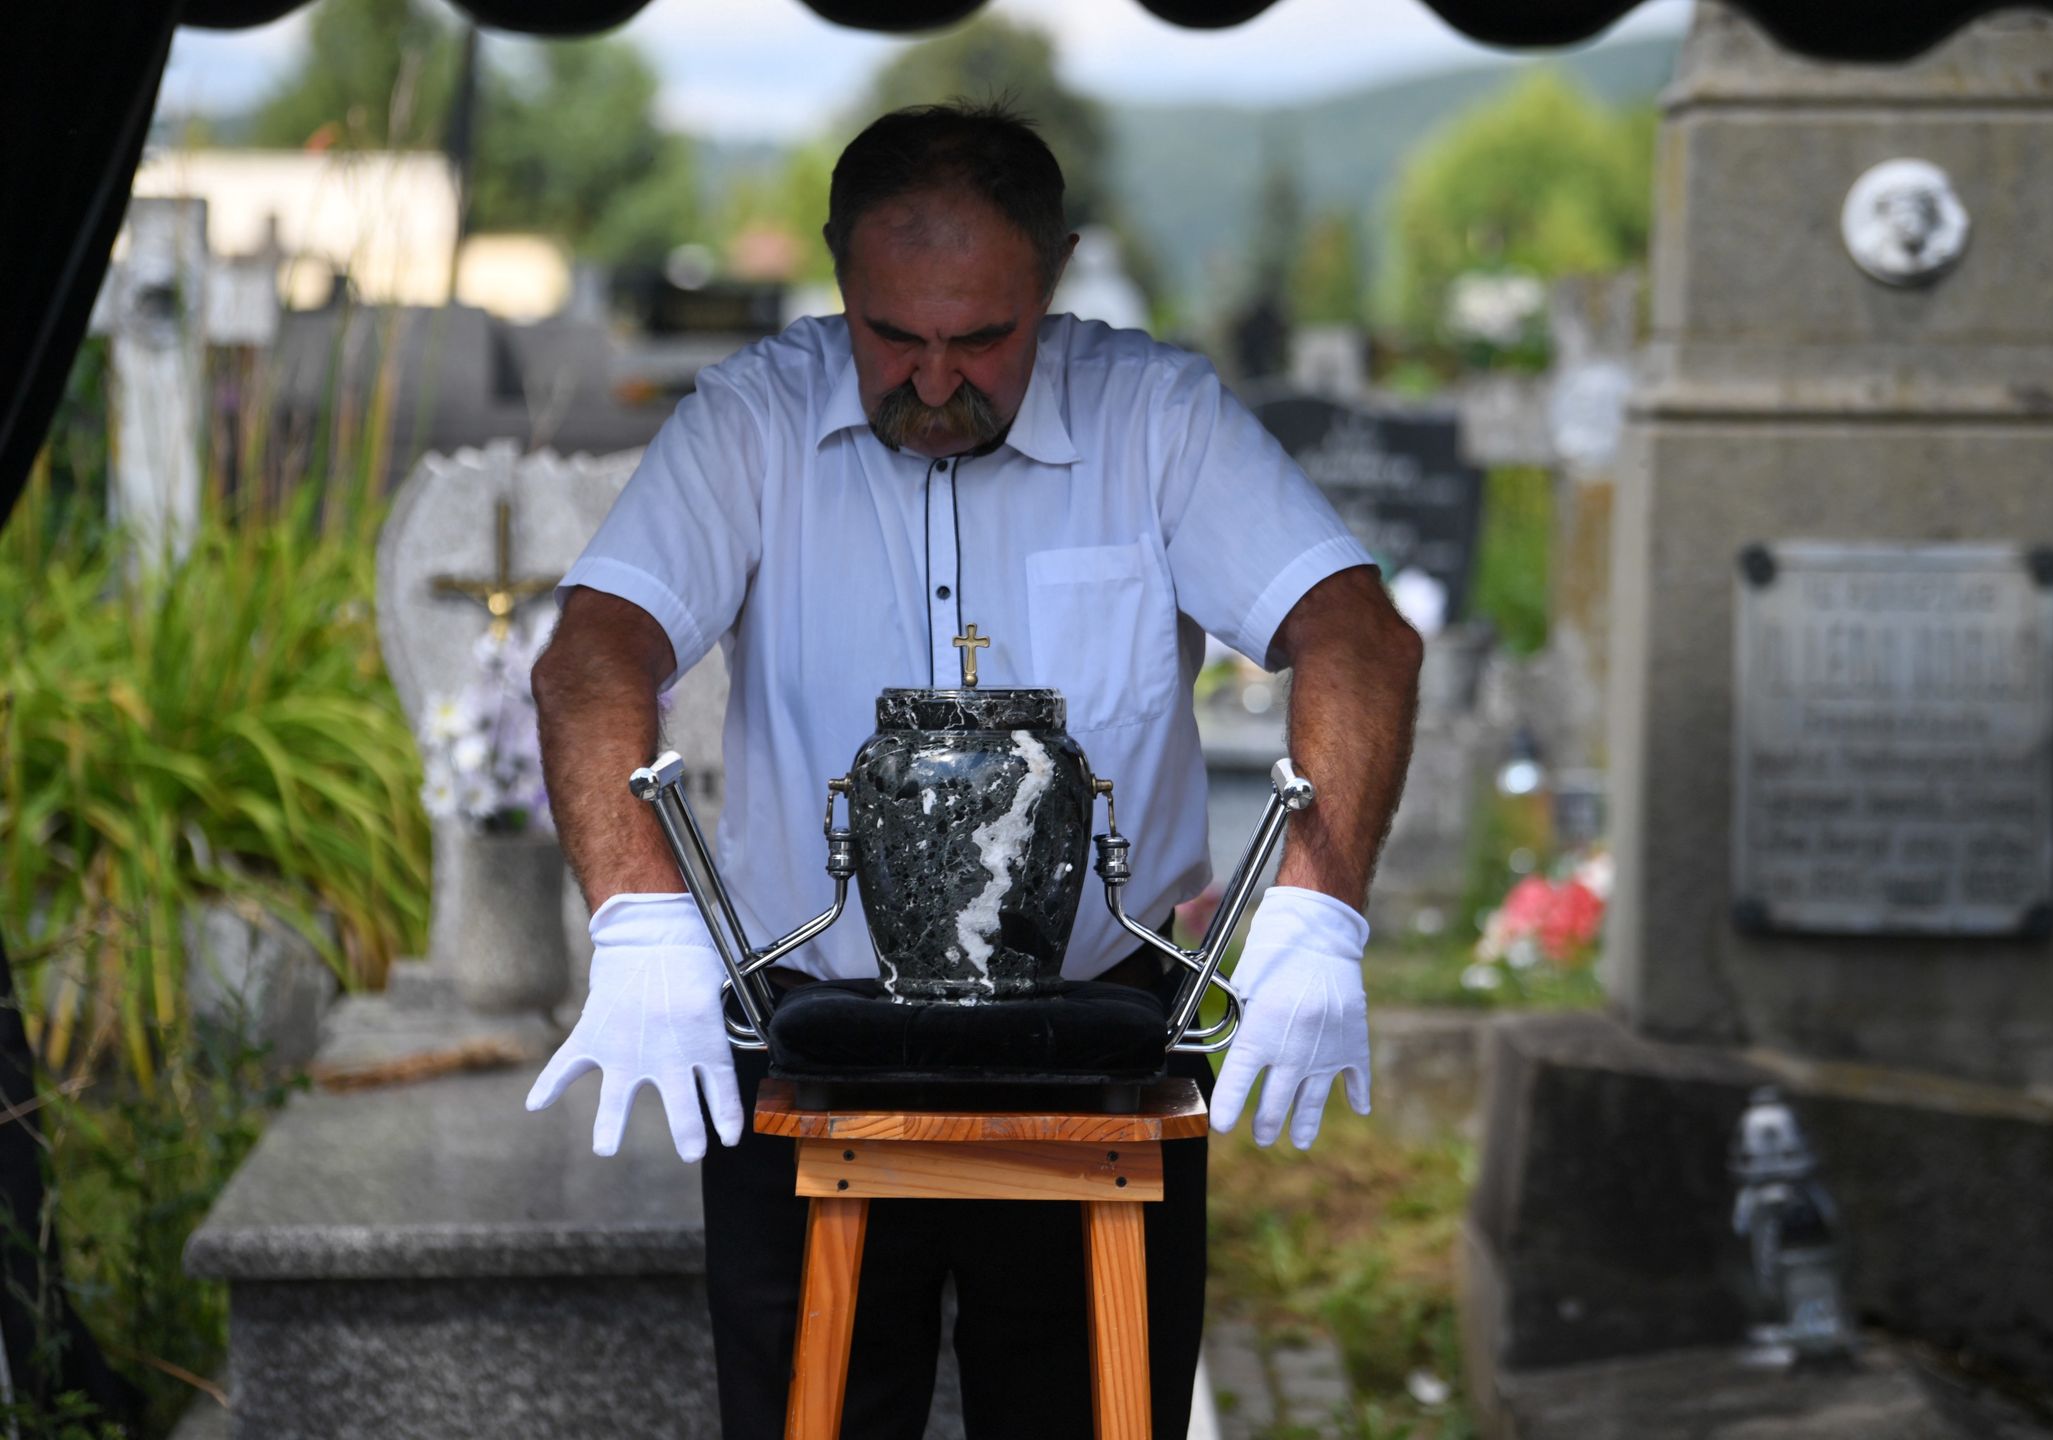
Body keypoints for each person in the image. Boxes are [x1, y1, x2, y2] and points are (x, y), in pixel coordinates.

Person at [523, 101, 1421, 1440]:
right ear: (840, 273)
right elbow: (594, 655)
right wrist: (642, 914)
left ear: (1053, 275)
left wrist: (1318, 901)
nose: (934, 381)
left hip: (1097, 1037)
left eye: (983, 340)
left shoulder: (1154, 417)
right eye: (895, 335)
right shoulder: (753, 422)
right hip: (810, 1037)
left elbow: (1355, 634)